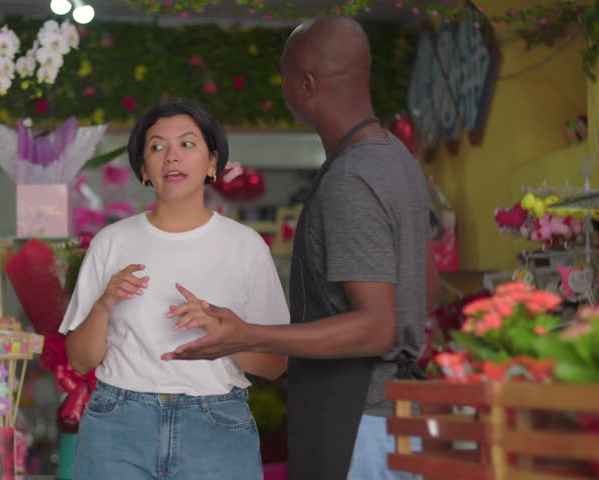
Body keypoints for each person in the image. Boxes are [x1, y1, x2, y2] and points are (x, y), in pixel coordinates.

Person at [161, 17, 440, 480]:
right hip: (396, 415)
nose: (283, 86)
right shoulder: (397, 159)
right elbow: (426, 288)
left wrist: (246, 334)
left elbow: (375, 327)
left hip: (358, 421)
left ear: (306, 84)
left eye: (284, 73)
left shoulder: (351, 180)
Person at [58, 97, 289, 480]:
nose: (171, 157)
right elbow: (81, 361)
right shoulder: (111, 242)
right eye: (156, 146)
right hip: (117, 425)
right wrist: (102, 306)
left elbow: (274, 365)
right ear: (145, 170)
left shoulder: (245, 245)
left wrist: (224, 333)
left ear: (212, 162)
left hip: (215, 425)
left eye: (187, 143)